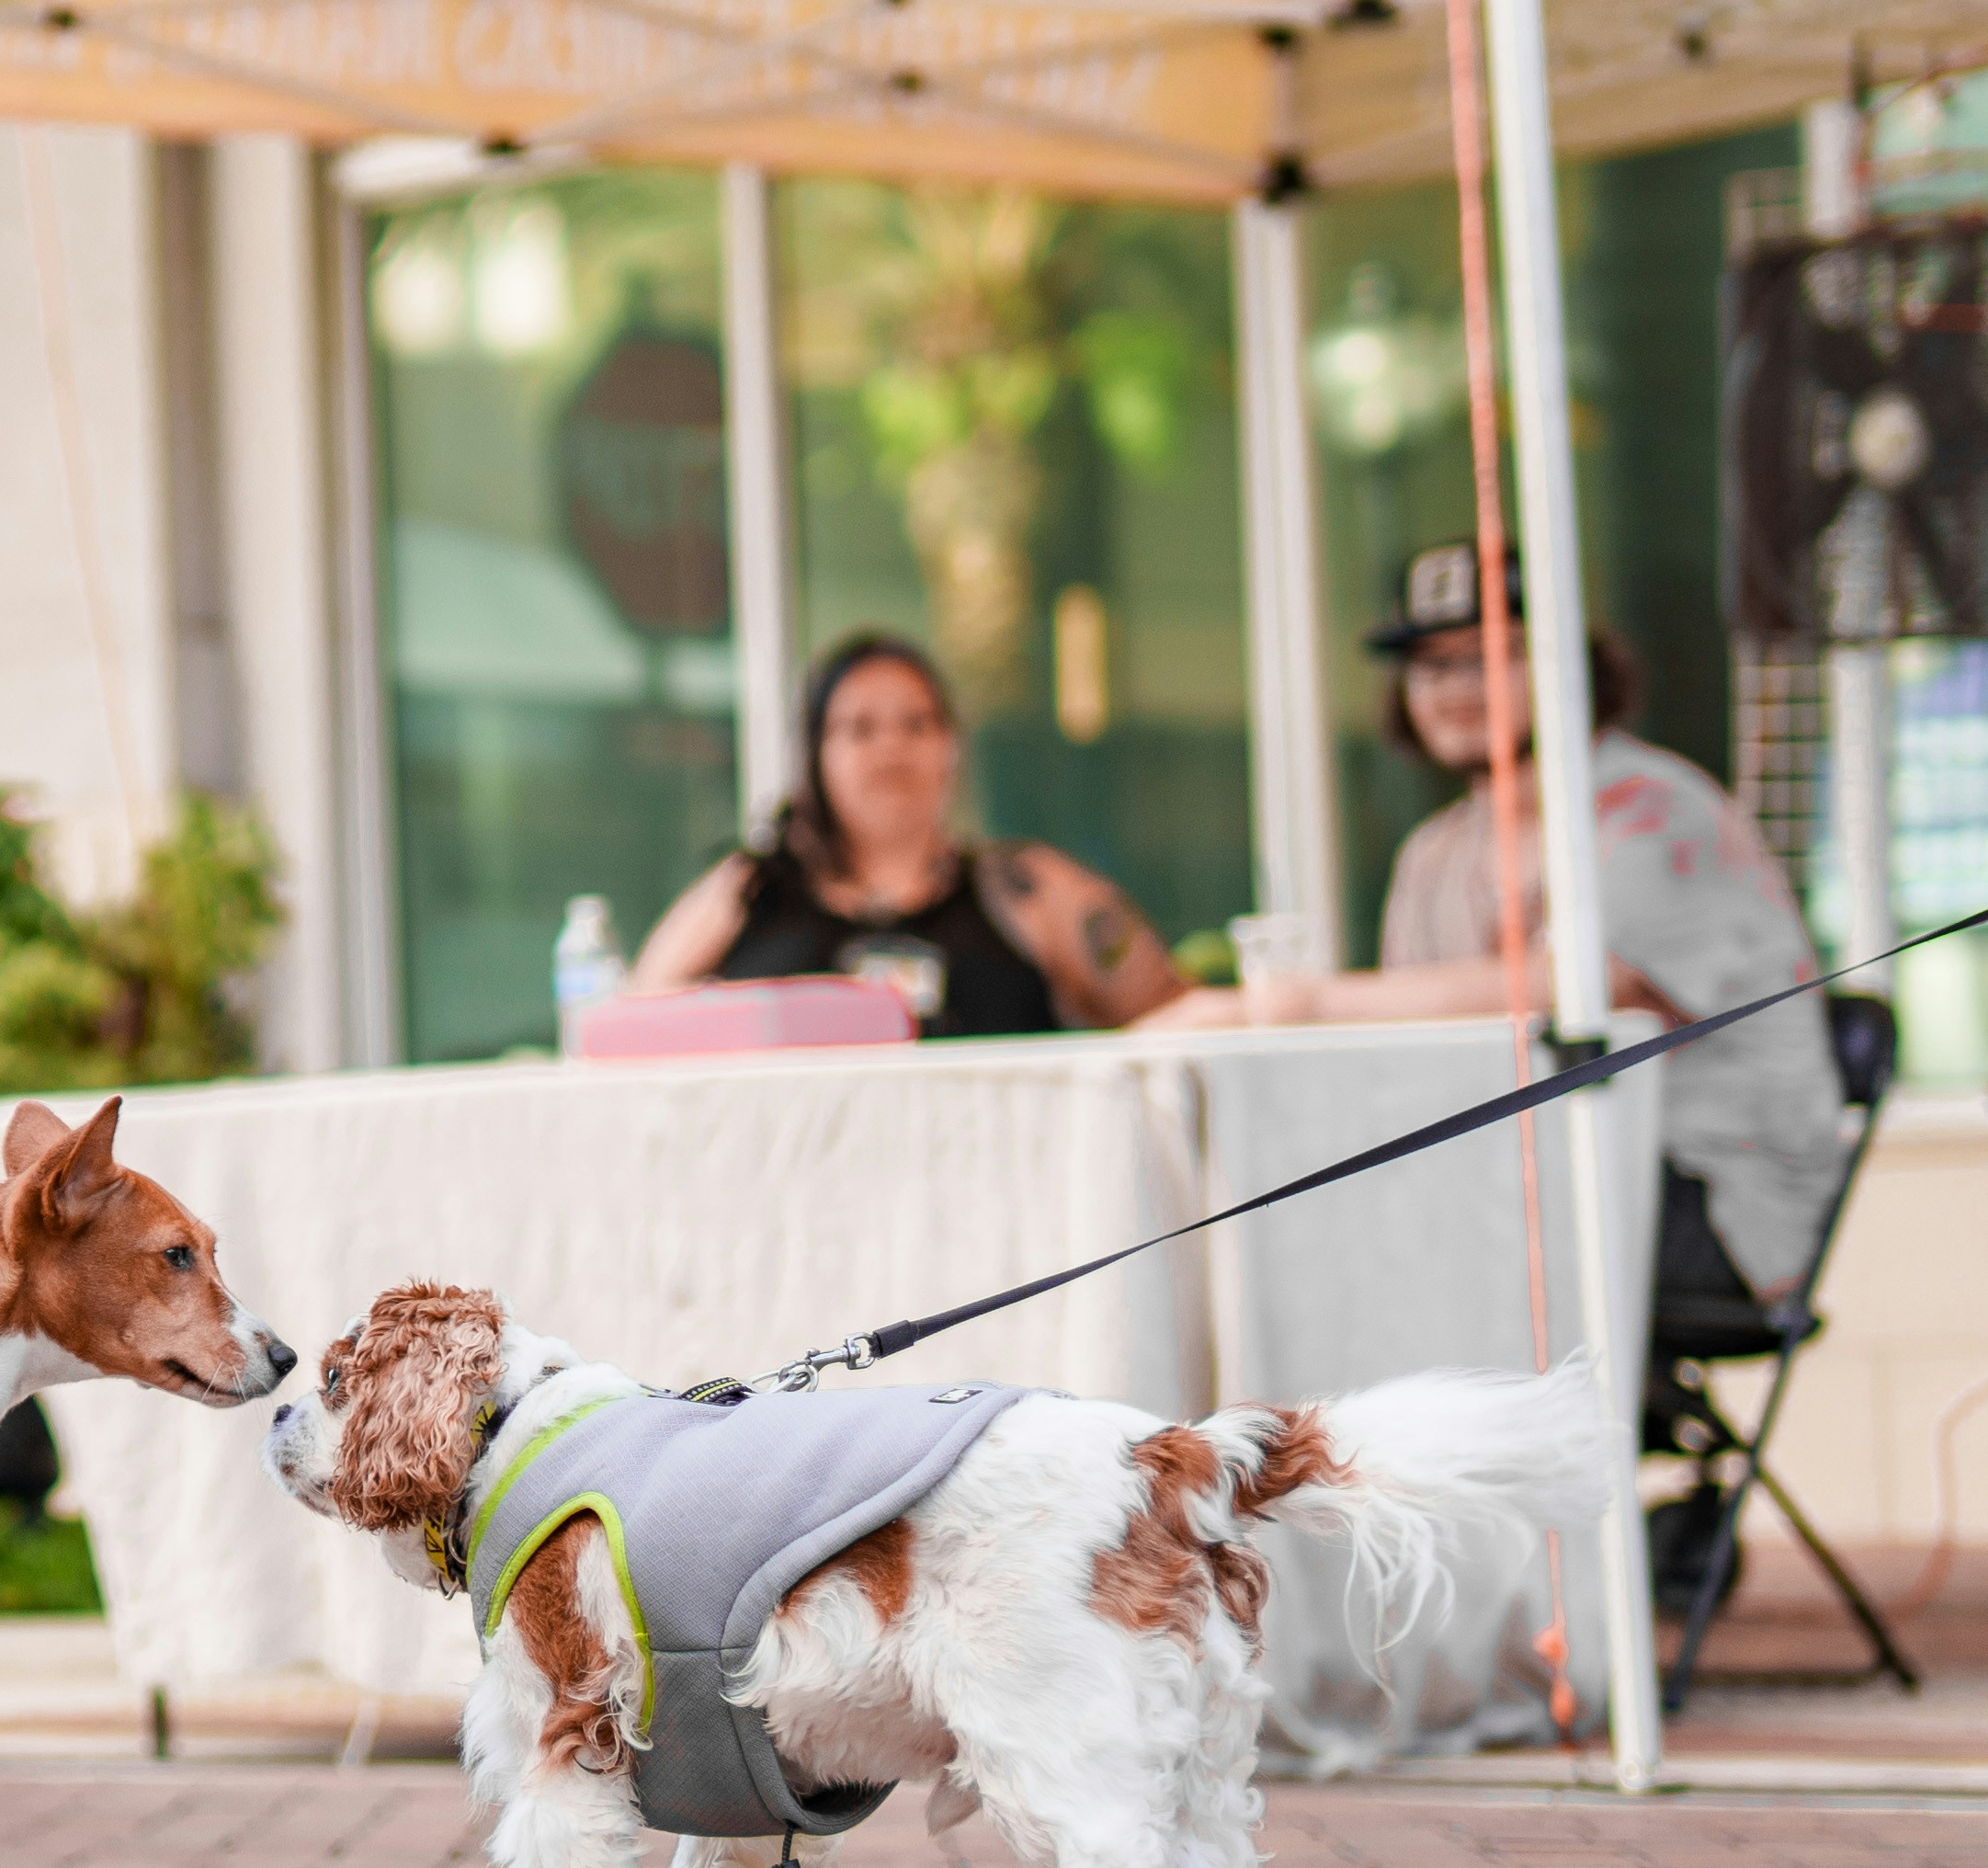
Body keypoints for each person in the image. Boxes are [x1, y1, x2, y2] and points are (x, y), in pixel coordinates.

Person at [1142, 541, 1852, 1306]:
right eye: (1431, 665)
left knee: (1362, 1259)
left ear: (1569, 665)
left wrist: (1291, 1004)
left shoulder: (1653, 806)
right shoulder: (1435, 852)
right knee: (1277, 1225)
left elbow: (1591, 990)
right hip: (1535, 1180)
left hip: (1712, 1201)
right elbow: (1407, 1059)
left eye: (1494, 654)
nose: (1455, 687)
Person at [629, 631, 1188, 1036]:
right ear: (815, 755)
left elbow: (1170, 1012)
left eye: (916, 724)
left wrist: (1264, 1001)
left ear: (951, 748)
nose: (891, 748)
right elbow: (629, 1028)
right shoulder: (747, 890)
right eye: (860, 729)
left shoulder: (1027, 888)